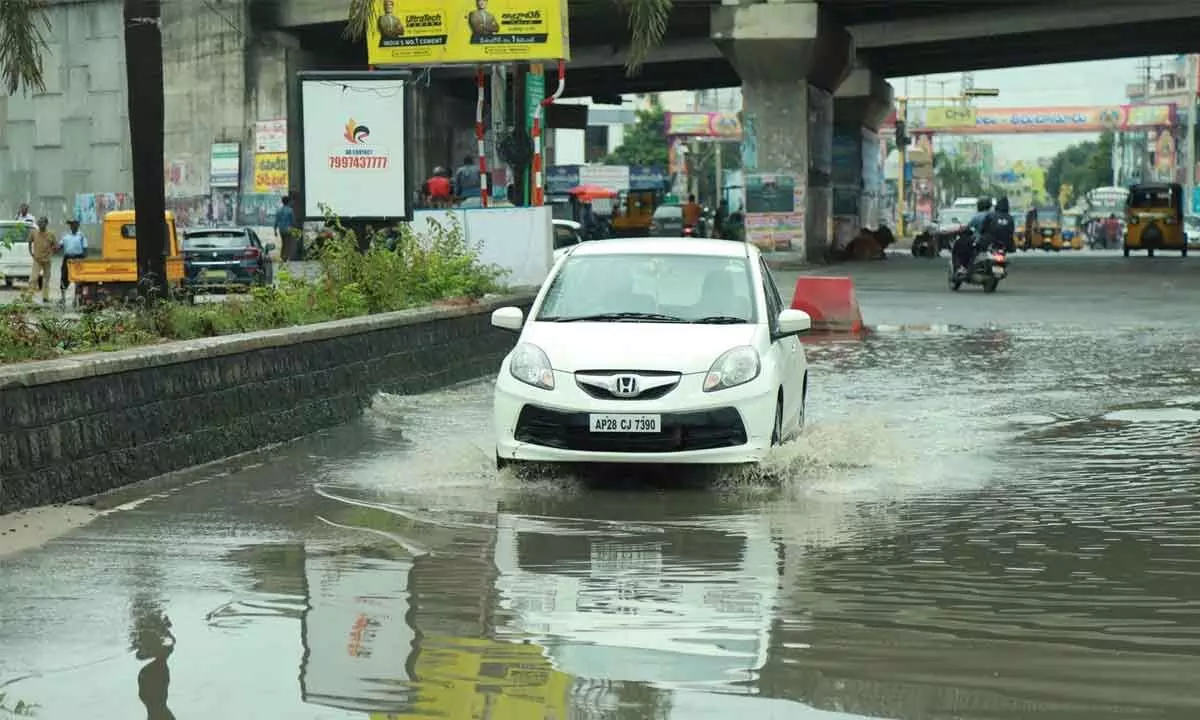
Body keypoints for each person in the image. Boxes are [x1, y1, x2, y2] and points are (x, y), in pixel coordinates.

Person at [956, 197, 993, 273]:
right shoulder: (993, 215)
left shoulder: (977, 216)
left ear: (979, 206)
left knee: (964, 249)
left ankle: (964, 267)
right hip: (992, 241)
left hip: (979, 240)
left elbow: (968, 227)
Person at [27, 216, 58, 303]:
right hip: (37, 259)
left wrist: (52, 253)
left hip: (47, 261)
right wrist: (31, 252)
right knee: (33, 278)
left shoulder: (51, 234)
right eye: (39, 222)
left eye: (42, 222)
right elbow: (29, 242)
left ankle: (45, 297)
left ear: (46, 224)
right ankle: (29, 297)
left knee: (46, 279)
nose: (40, 224)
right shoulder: (34, 233)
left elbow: (55, 246)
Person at [59, 218, 87, 303]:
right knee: (64, 277)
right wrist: (53, 248)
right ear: (70, 226)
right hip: (67, 258)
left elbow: (85, 249)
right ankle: (63, 298)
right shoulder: (65, 236)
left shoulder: (81, 236)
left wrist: (83, 260)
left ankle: (76, 299)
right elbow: (60, 245)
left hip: (78, 258)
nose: (73, 226)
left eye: (74, 224)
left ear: (78, 226)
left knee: (78, 279)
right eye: (71, 225)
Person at [274, 195, 296, 261]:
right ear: (288, 202)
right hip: (288, 229)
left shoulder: (279, 210)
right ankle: (285, 257)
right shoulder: (290, 210)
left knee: (283, 243)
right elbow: (293, 221)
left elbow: (276, 221)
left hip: (281, 229)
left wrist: (275, 230)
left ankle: (282, 256)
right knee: (288, 243)